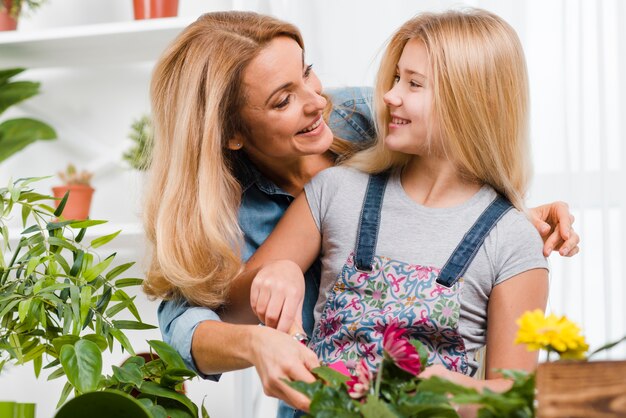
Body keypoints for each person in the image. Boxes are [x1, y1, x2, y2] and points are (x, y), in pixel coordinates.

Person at [143, 10, 580, 413]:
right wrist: (273, 280)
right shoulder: (328, 191)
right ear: (232, 132)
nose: (386, 96)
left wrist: (511, 223)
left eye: (307, 72)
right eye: (282, 101)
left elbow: (516, 399)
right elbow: (198, 317)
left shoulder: (366, 117)